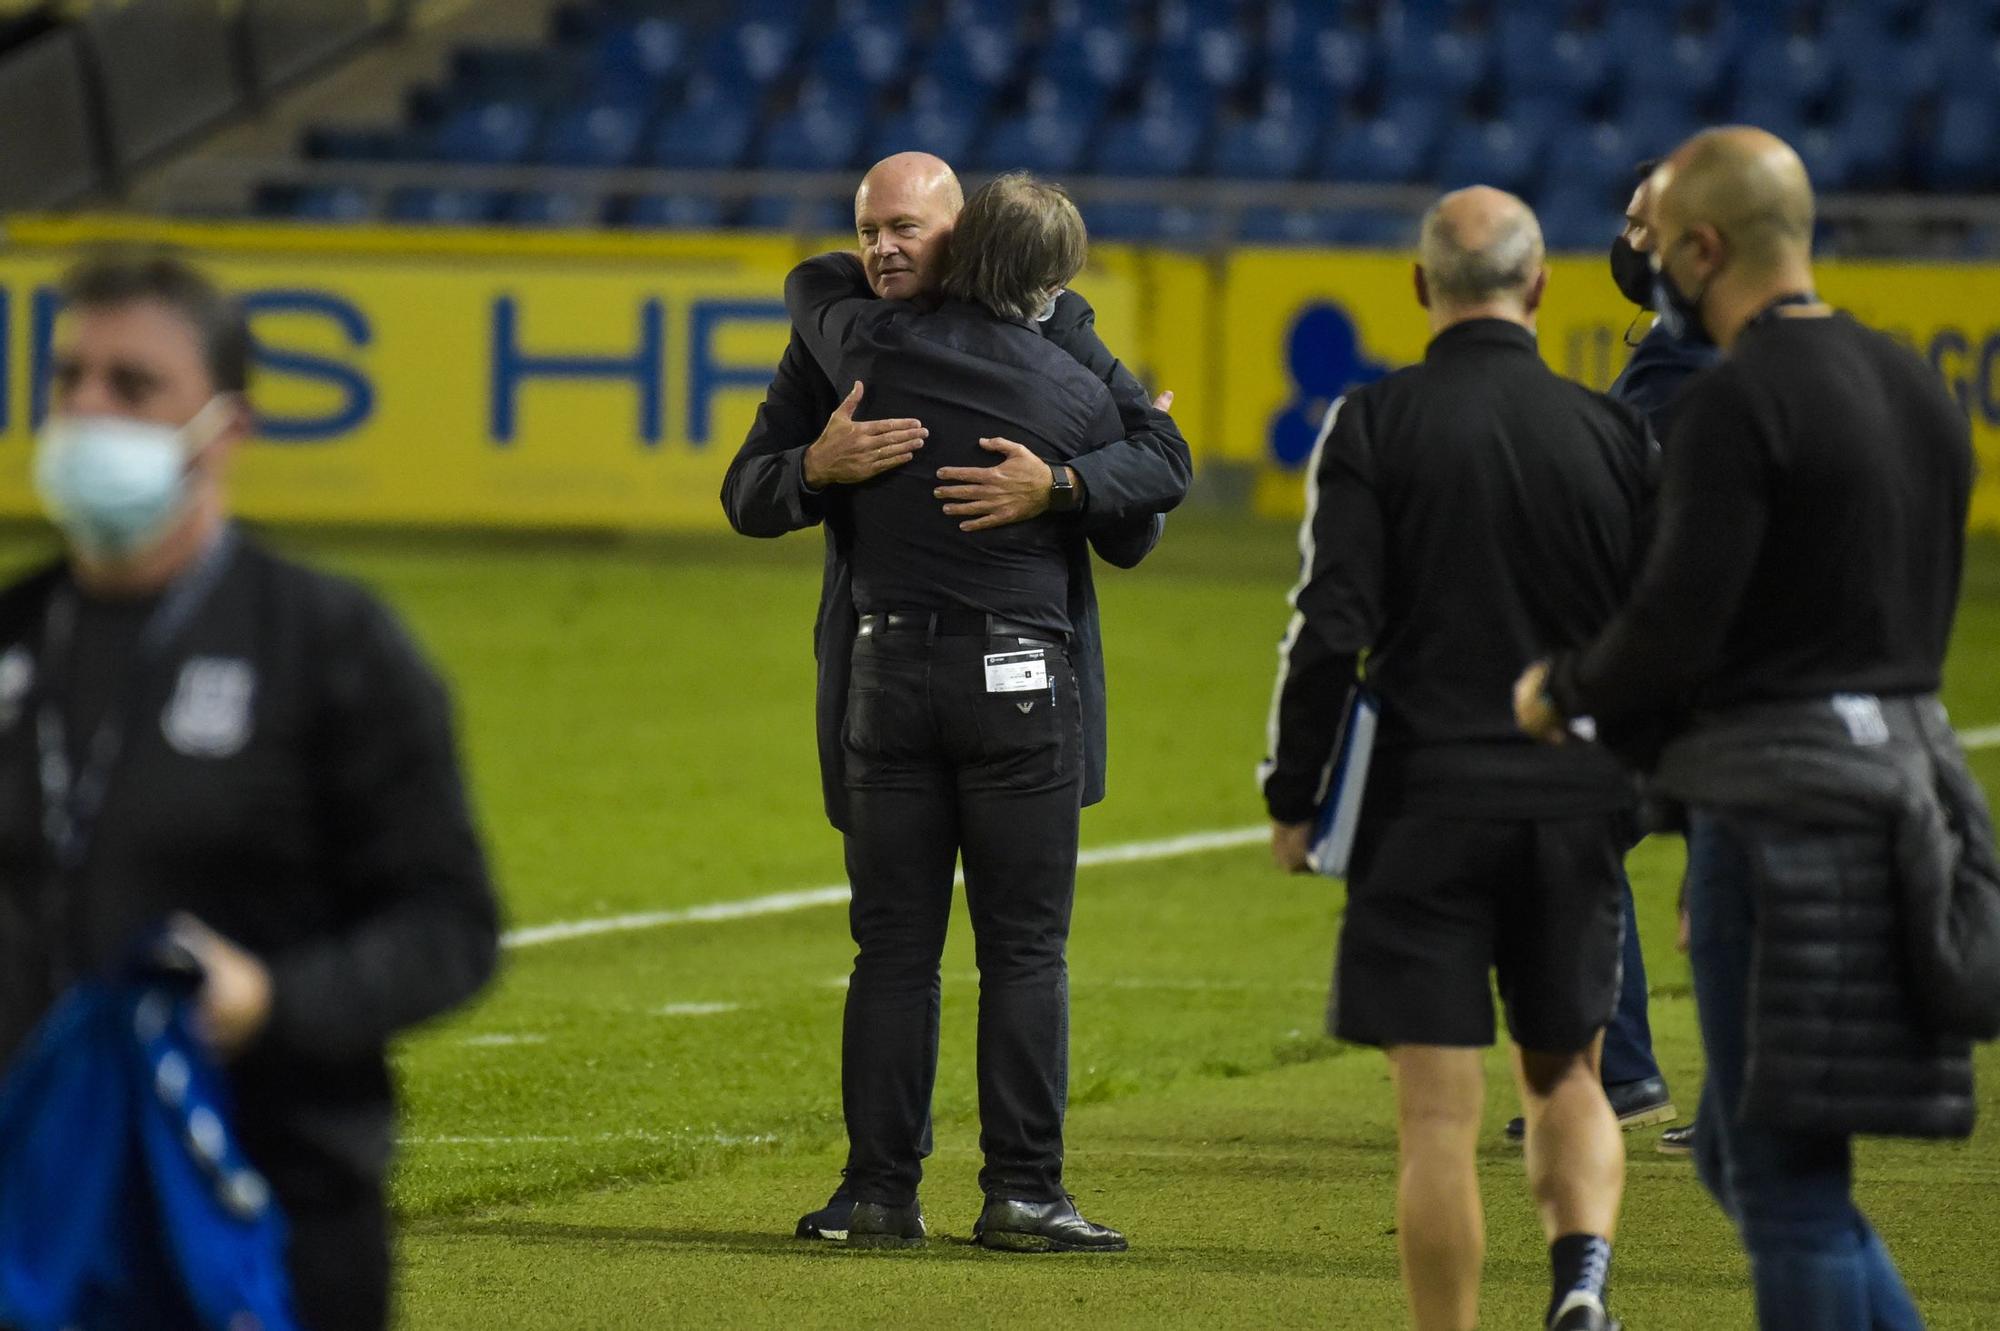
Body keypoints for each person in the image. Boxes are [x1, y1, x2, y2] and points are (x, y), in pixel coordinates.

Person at [1516, 128, 1978, 1331]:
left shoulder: (1731, 401)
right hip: (1908, 789)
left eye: (1657, 242)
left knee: (1785, 1188)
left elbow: (1674, 624)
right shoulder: (1913, 383)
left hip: (1781, 810)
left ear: (1702, 247)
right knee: (1740, 1152)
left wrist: (1560, 687)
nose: (1648, 264)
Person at [0, 252, 500, 1329]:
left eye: (132, 387)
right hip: (28, 1213)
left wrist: (272, 1000)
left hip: (270, 1209)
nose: (87, 411)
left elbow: (450, 925)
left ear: (225, 427)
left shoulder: (328, 645)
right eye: (68, 378)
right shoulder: (14, 637)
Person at [721, 151, 1190, 1243]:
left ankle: (878, 1190)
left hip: (888, 675)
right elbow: (1144, 503)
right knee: (1021, 946)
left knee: (890, 945)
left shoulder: (852, 332)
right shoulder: (1060, 371)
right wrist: (812, 469)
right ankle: (1023, 1188)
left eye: (905, 229)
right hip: (1016, 682)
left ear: (959, 237)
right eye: (869, 228)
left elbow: (805, 282)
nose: (882, 247)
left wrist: (1066, 484)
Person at [1262, 188, 1652, 1331]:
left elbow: (1329, 625)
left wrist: (1295, 795)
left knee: (1435, 1119)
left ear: (1419, 288)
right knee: (1566, 1074)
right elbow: (1660, 633)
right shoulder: (1614, 431)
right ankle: (1579, 1277)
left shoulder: (1374, 423)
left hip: (1422, 803)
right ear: (1538, 287)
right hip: (1573, 804)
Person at [1502, 160, 1725, 1154]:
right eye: (1625, 221)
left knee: (1584, 833)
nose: (1623, 243)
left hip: (1693, 660)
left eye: (1641, 228)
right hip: (1692, 653)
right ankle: (1634, 1068)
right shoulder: (1689, 343)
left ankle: (1646, 1072)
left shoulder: (1692, 359)